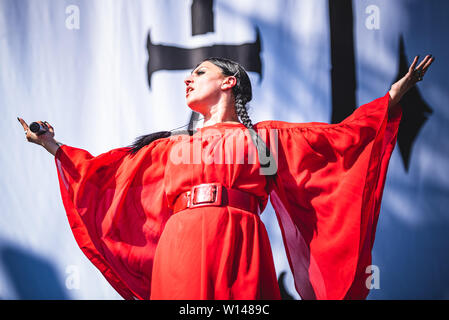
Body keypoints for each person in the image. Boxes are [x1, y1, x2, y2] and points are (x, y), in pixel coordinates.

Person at [18, 55, 434, 300]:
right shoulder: (171, 146)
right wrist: (54, 147)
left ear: (228, 82)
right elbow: (106, 174)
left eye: (199, 73)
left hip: (241, 245)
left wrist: (391, 98)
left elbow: (339, 143)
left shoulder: (265, 139)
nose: (188, 78)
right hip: (179, 249)